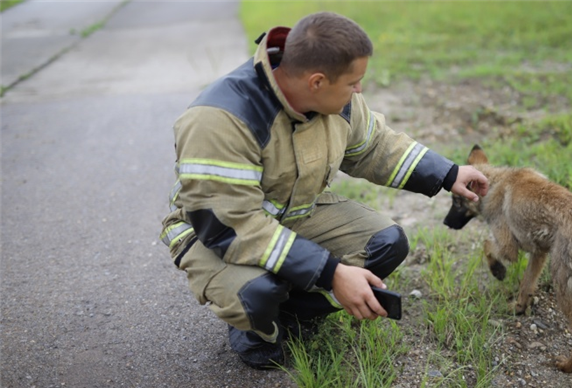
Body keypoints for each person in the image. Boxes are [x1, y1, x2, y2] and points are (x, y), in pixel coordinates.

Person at [160, 11, 488, 369]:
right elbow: (232, 225)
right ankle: (257, 327)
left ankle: (291, 314)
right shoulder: (220, 119)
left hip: (293, 214)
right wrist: (331, 273)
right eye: (354, 82)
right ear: (317, 81)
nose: (359, 90)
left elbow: (375, 146)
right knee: (256, 294)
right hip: (216, 233)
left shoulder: (336, 100)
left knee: (387, 243)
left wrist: (447, 173)